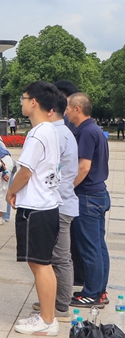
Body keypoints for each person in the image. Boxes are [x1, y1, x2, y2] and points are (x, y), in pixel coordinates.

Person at [9, 81, 63, 336]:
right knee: (41, 263)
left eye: (24, 97)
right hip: (47, 204)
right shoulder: (50, 130)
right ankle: (47, 315)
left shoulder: (38, 133)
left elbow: (25, 172)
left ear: (34, 102)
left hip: (36, 207)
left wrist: (10, 191)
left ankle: (47, 319)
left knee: (40, 264)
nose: (21, 101)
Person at [26, 88, 77, 320]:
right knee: (51, 258)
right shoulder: (56, 132)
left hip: (57, 203)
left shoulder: (55, 133)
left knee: (55, 259)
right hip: (57, 201)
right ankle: (53, 303)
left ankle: (60, 306)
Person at [66, 92, 111, 308]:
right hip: (99, 193)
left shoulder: (85, 132)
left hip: (87, 196)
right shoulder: (96, 130)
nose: (65, 112)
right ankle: (99, 291)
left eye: (67, 107)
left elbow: (84, 167)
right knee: (99, 246)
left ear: (77, 109)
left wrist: (67, 188)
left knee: (90, 248)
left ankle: (92, 293)